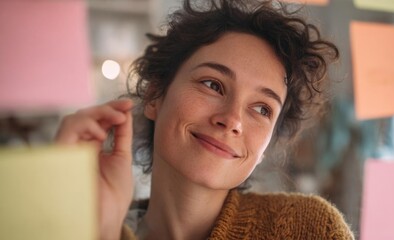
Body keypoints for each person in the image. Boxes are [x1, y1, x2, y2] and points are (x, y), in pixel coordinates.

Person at [56, 0, 354, 239]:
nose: (232, 119)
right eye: (213, 85)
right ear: (155, 95)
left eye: (262, 109)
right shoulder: (73, 229)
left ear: (265, 146)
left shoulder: (309, 230)